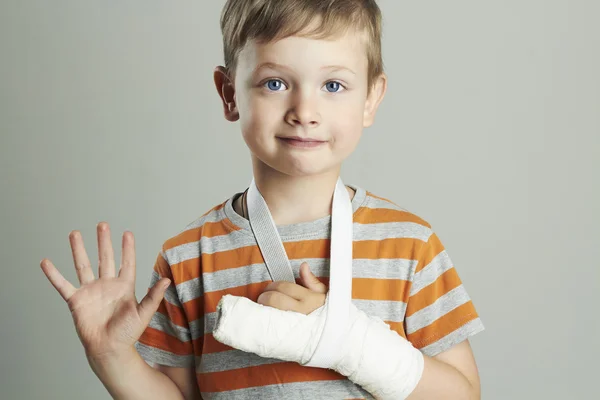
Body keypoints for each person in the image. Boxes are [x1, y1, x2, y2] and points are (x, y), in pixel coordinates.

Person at [40, 0, 485, 398]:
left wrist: (351, 342)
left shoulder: (409, 246)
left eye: (333, 86)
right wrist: (110, 355)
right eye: (275, 83)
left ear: (371, 99)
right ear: (229, 93)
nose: (304, 111)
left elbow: (463, 395)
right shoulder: (188, 258)